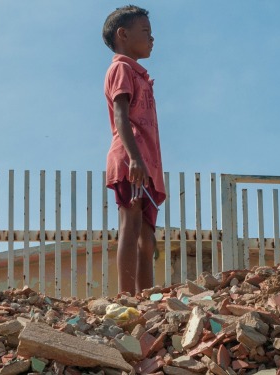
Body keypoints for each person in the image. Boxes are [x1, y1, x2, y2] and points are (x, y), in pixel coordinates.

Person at [102, 5, 166, 295]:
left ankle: (146, 298)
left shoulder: (142, 76)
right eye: (146, 32)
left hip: (146, 162)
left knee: (147, 235)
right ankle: (126, 297)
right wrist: (136, 159)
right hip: (132, 158)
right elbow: (120, 116)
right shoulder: (121, 68)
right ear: (123, 34)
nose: (152, 39)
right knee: (130, 224)